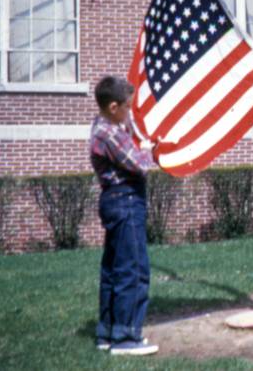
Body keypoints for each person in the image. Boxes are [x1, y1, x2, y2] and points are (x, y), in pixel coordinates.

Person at [90, 76, 159, 355]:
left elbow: (128, 138)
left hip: (115, 200)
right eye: (127, 107)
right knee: (133, 269)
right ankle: (126, 337)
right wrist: (153, 152)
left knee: (113, 271)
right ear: (113, 107)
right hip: (126, 201)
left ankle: (108, 332)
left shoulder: (103, 126)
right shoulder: (109, 134)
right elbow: (140, 164)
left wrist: (134, 133)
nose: (130, 111)